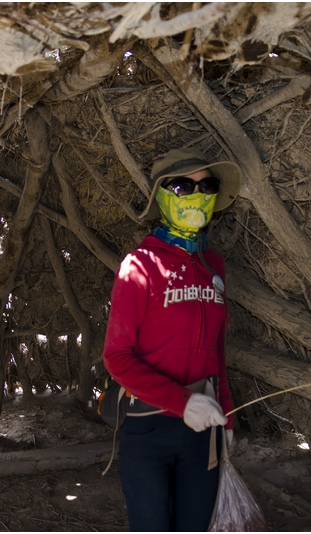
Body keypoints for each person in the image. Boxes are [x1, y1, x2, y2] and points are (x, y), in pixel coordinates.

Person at [103, 147, 242, 532]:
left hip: (204, 429)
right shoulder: (140, 265)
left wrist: (225, 414)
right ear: (162, 196)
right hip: (149, 426)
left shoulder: (213, 265)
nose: (197, 194)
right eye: (183, 186)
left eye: (206, 185)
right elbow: (117, 357)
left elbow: (217, 351)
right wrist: (181, 402)